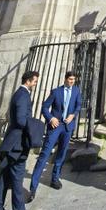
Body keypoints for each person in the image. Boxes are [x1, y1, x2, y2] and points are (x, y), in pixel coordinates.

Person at [0, 70, 40, 210]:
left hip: (10, 143)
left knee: (4, 178)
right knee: (17, 179)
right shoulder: (23, 95)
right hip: (17, 146)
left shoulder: (18, 94)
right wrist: (36, 126)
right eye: (35, 81)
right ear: (28, 81)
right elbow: (20, 120)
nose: (35, 84)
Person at [28, 71, 82, 201]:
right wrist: (51, 118)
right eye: (70, 79)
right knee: (44, 155)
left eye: (73, 79)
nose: (72, 82)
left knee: (61, 154)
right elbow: (44, 107)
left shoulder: (76, 91)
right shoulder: (56, 92)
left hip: (67, 127)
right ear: (65, 79)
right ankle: (33, 188)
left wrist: (73, 115)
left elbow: (78, 105)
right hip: (55, 127)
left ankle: (55, 178)